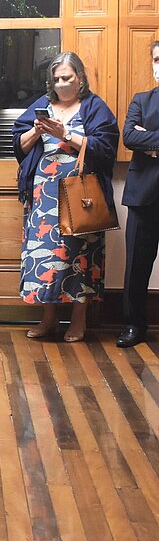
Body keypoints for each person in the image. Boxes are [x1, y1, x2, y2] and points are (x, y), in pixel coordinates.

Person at [12, 51, 118, 343]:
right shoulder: (42, 105)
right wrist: (36, 132)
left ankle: (78, 320)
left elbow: (105, 149)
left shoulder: (94, 107)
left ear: (80, 79)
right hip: (43, 195)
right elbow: (19, 146)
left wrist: (65, 134)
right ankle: (49, 318)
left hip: (80, 195)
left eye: (67, 78)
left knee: (79, 255)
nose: (61, 84)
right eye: (56, 79)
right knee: (47, 255)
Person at [117, 41, 159, 347]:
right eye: (156, 59)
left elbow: (141, 137)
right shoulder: (141, 100)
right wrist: (144, 140)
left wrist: (151, 142)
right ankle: (134, 324)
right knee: (136, 266)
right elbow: (129, 136)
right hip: (143, 194)